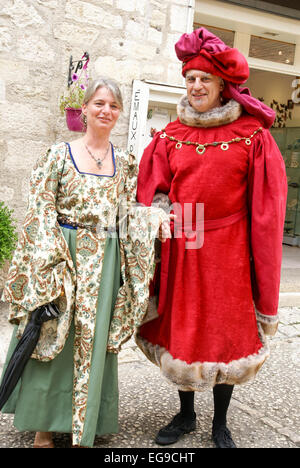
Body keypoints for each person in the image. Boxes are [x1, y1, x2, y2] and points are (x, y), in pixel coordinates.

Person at [135, 28, 287, 448]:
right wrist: (161, 212)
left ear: (222, 85)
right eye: (190, 79)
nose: (196, 86)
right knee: (183, 332)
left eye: (205, 79)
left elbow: (267, 205)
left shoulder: (251, 135)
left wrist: (259, 261)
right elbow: (153, 187)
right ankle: (185, 415)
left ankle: (220, 422)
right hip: (185, 247)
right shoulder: (170, 135)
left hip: (230, 253)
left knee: (224, 335)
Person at [0, 77, 170, 448]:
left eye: (113, 106)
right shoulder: (58, 155)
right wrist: (51, 258)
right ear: (85, 109)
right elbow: (41, 208)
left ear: (119, 113)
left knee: (91, 342)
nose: (105, 111)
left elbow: (126, 214)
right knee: (52, 335)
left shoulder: (125, 163)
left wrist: (153, 219)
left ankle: (83, 426)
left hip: (104, 263)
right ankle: (44, 429)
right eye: (99, 103)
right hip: (62, 255)